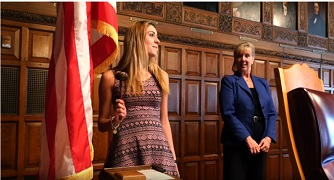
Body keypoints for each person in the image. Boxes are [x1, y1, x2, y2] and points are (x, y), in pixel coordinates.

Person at [98, 21, 179, 177]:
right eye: (151, 35)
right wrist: (114, 120)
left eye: (157, 36)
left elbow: (164, 121)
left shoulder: (161, 76)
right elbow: (101, 124)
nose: (158, 41)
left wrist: (173, 160)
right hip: (124, 154)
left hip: (159, 154)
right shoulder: (111, 77)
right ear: (137, 40)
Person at [219, 42, 277, 180]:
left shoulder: (263, 83)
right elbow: (228, 114)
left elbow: (271, 113)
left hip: (260, 143)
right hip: (237, 143)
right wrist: (247, 139)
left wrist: (268, 138)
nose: (243, 59)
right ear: (235, 59)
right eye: (239, 56)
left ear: (253, 58)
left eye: (247, 55)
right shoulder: (229, 81)